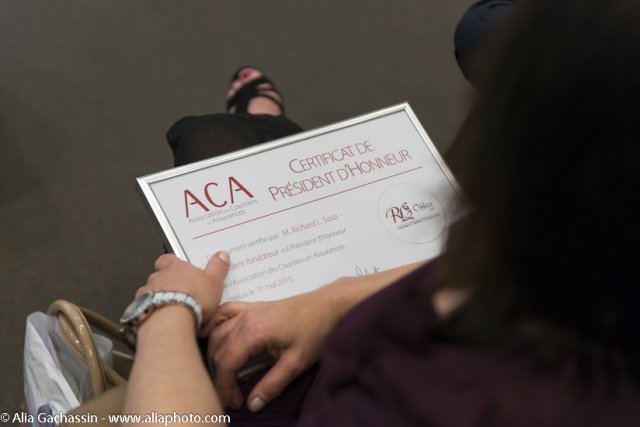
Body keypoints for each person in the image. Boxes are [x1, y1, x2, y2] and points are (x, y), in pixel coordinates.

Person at [122, 0, 640, 425]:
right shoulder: (575, 272)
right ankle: (265, 127)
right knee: (219, 147)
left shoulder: (447, 397)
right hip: (381, 324)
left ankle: (264, 125)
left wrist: (166, 311)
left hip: (299, 393)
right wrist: (335, 299)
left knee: (206, 146)